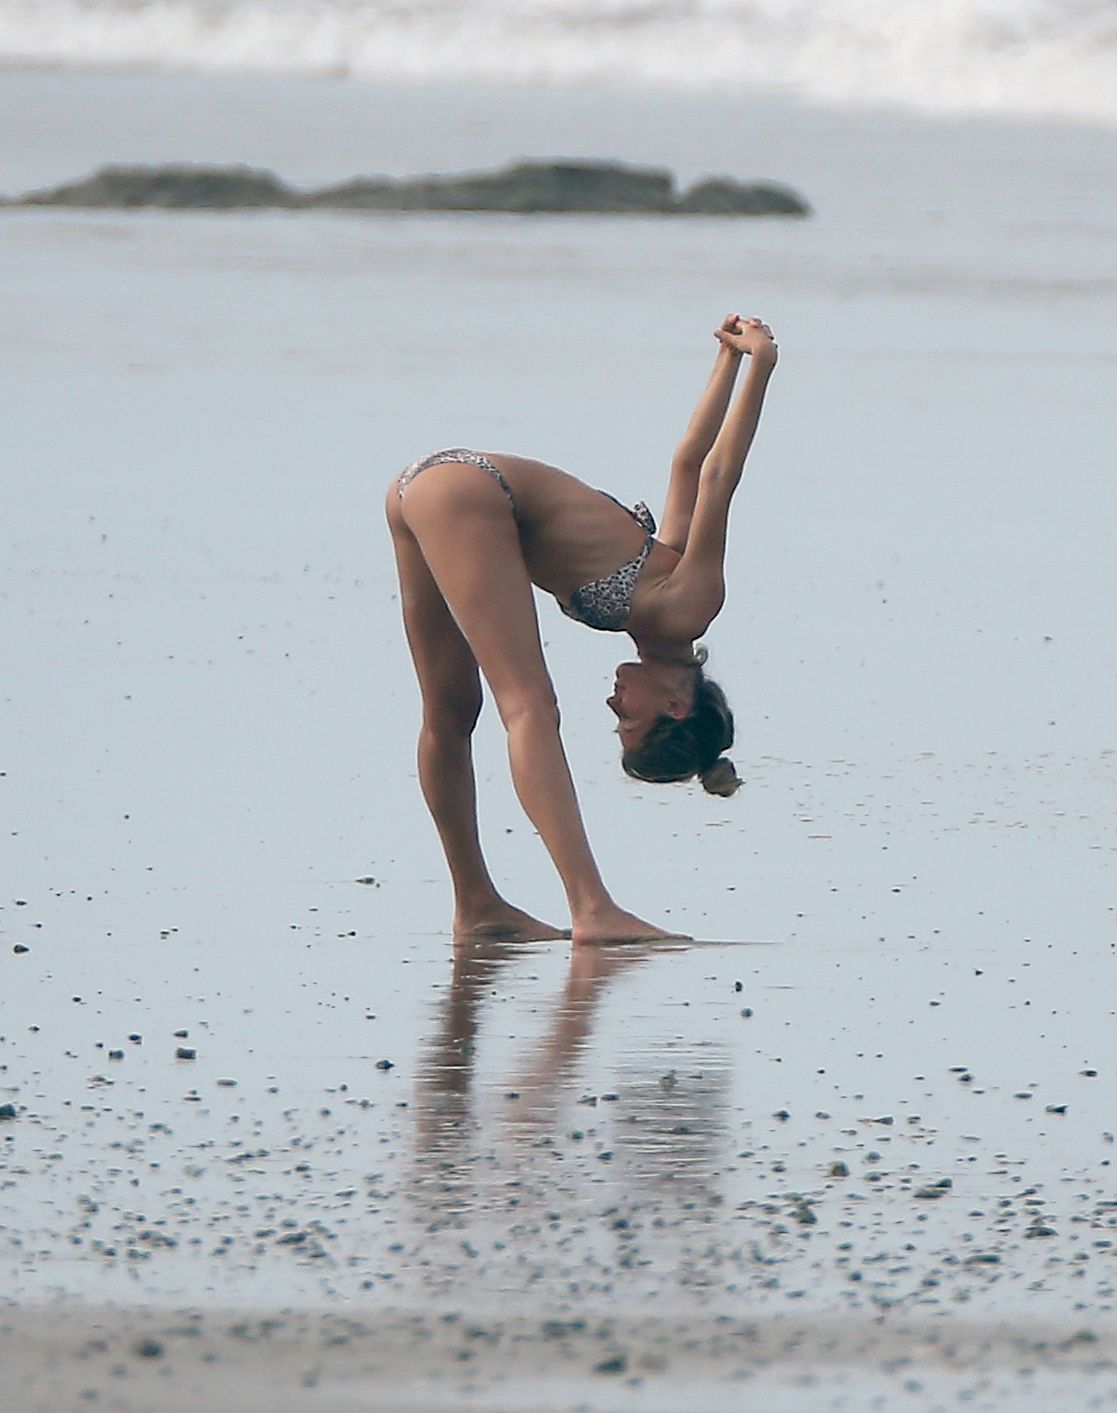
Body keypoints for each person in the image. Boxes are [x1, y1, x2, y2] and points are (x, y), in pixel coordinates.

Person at [385, 313, 777, 944]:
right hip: (467, 493)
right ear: (676, 706)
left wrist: (726, 360)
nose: (613, 706)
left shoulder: (666, 587)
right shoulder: (693, 605)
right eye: (628, 721)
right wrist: (757, 364)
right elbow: (712, 476)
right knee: (530, 708)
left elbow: (685, 464)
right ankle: (591, 907)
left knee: (450, 709)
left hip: (426, 488)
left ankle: (477, 904)